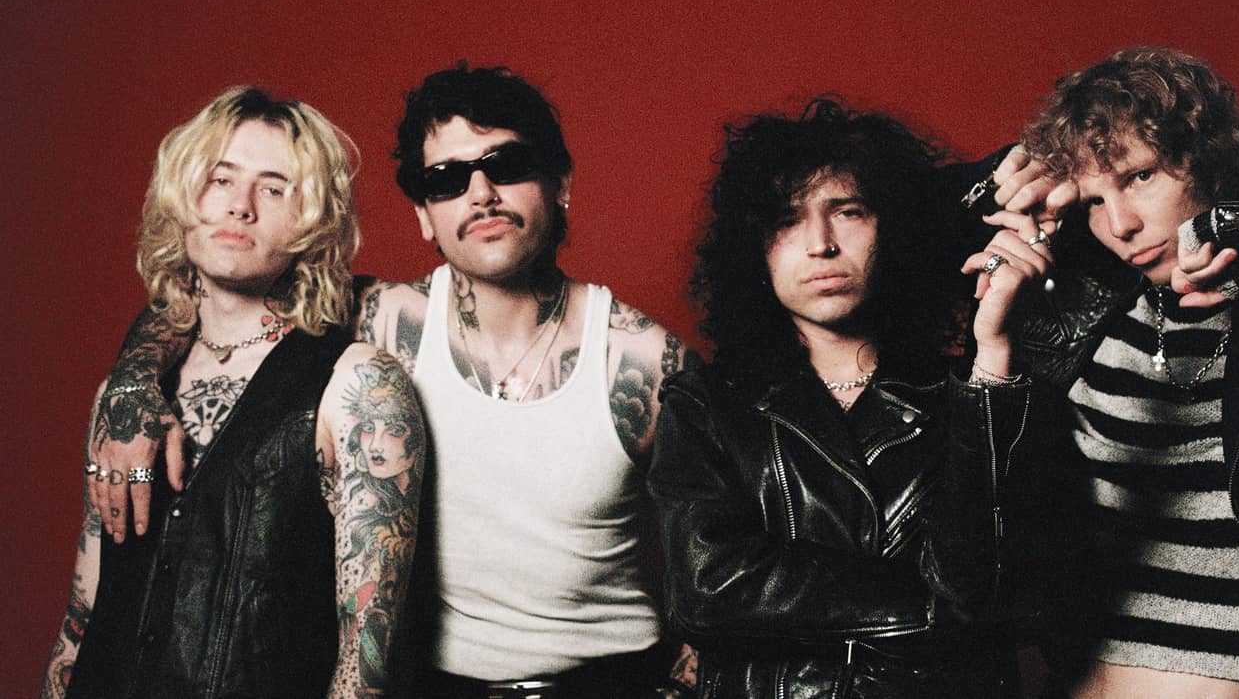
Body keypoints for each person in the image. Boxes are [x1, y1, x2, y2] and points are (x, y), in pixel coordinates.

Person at [83, 64, 701, 698]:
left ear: (560, 185)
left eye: (507, 165)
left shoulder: (644, 363)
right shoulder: (379, 320)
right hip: (431, 687)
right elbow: (207, 299)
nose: (481, 194)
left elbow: (721, 570)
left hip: (607, 682)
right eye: (447, 179)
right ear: (425, 216)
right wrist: (132, 387)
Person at [41, 88, 426, 698]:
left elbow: (365, 663)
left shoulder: (357, 386)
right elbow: (86, 610)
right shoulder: (126, 398)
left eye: (274, 189)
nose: (239, 207)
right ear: (184, 194)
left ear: (312, 220)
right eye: (220, 179)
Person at [647, 98, 1038, 697]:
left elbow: (997, 587)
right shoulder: (707, 404)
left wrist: (994, 356)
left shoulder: (973, 393)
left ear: (892, 228)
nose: (820, 244)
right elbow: (708, 587)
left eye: (848, 212)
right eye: (786, 221)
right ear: (754, 249)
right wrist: (931, 603)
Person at [980, 47, 1239, 696]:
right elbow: (891, 206)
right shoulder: (1090, 302)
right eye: (1091, 200)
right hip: (1086, 665)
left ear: (1208, 156)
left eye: (1140, 176)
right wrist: (1012, 173)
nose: (1121, 225)